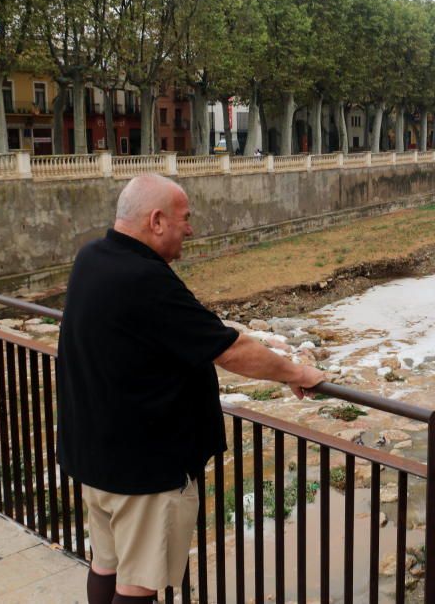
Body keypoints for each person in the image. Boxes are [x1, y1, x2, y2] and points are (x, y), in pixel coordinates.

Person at [57, 174, 325, 604]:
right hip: (143, 467)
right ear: (157, 220)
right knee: (136, 584)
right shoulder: (145, 279)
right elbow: (231, 349)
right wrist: (297, 373)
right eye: (186, 218)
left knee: (105, 563)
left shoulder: (92, 257)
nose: (191, 229)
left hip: (93, 453)